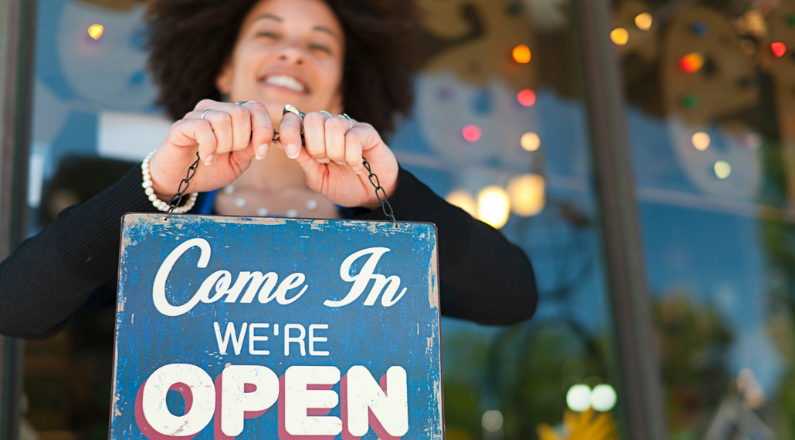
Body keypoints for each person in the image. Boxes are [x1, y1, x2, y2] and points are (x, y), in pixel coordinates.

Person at [0, 0, 537, 339]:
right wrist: (156, 188)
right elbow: (16, 307)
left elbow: (511, 297)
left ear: (342, 88)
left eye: (319, 46)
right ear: (225, 68)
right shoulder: (160, 211)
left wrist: (390, 193)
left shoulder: (375, 229)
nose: (293, 53)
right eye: (268, 34)